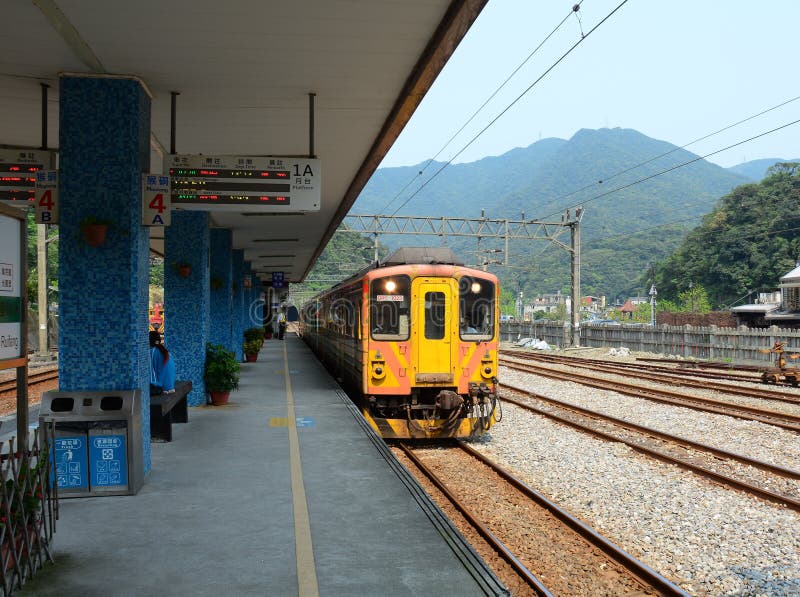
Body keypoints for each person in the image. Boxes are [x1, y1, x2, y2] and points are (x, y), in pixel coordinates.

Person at [149, 330, 175, 395]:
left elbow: (151, 373)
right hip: (170, 386)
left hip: (162, 388)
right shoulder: (165, 351)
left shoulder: (152, 352)